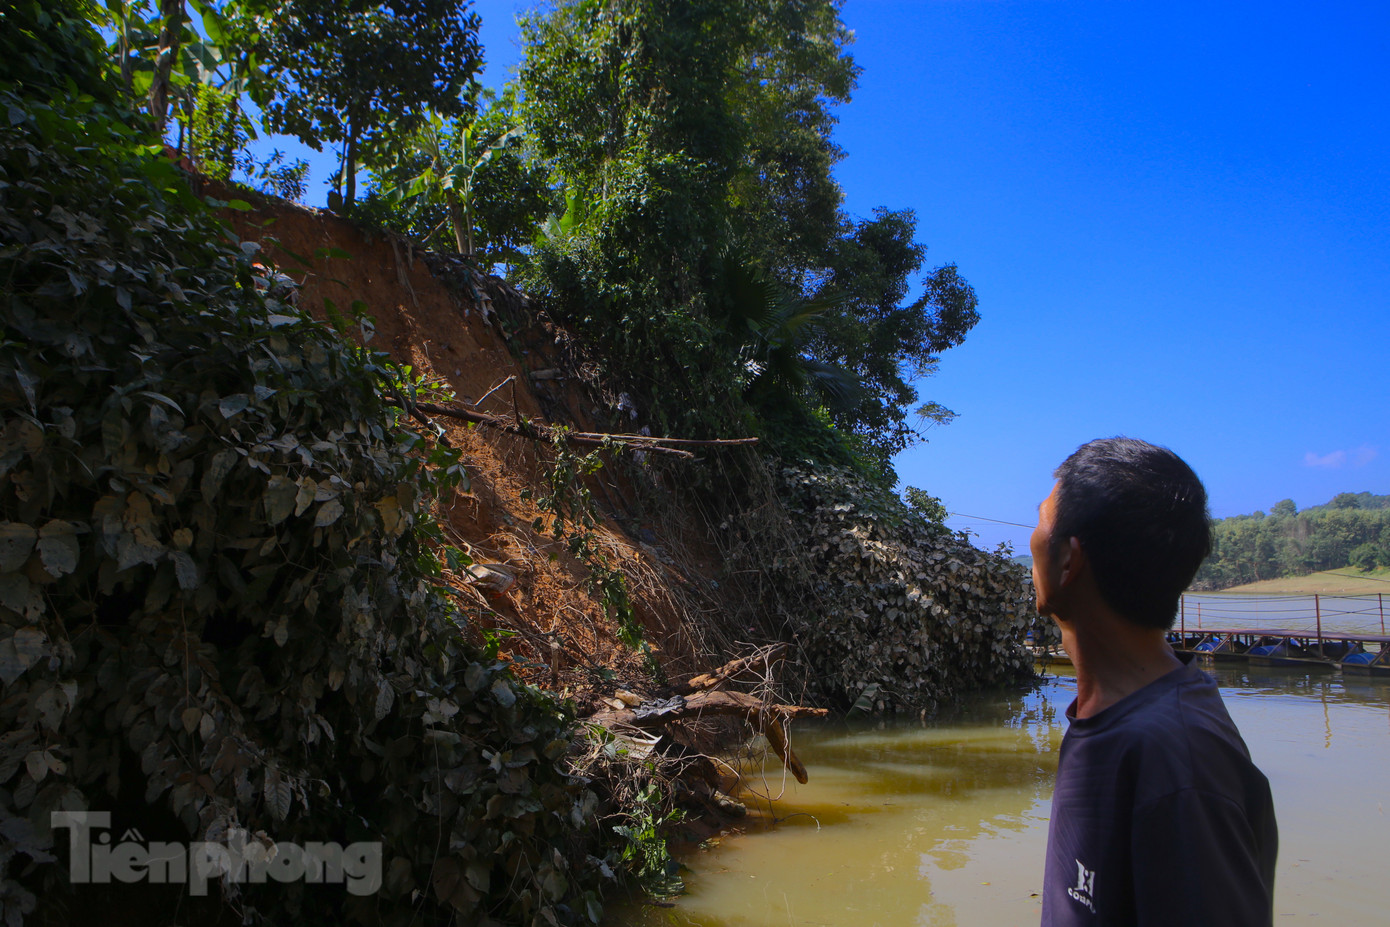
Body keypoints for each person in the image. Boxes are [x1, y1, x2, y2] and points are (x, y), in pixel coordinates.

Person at [1033, 437, 1277, 926]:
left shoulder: (1179, 765)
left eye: (1039, 523)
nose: (1032, 539)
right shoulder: (1108, 719)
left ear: (1069, 561)